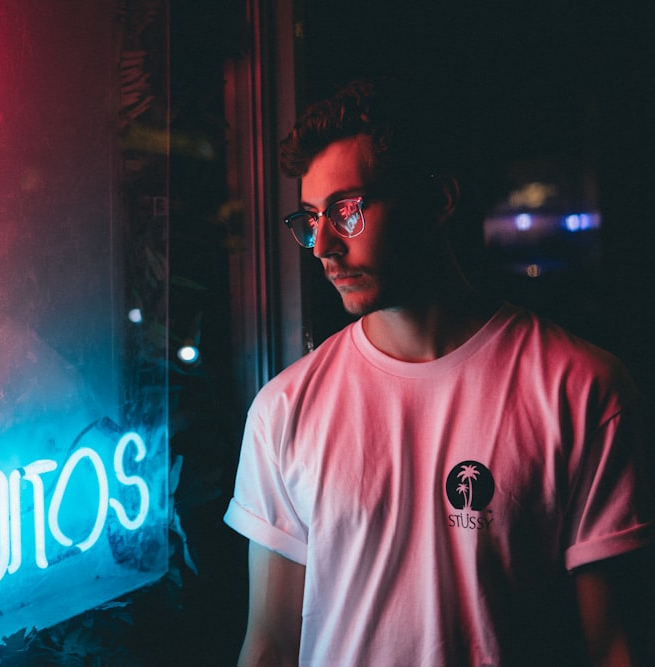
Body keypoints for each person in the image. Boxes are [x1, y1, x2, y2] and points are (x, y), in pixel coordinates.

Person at [223, 77, 655, 666]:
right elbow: (270, 645)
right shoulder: (283, 409)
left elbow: (613, 646)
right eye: (309, 218)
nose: (322, 244)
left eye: (347, 211)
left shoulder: (580, 389)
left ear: (440, 201)